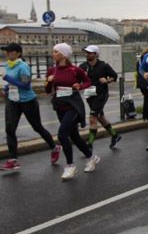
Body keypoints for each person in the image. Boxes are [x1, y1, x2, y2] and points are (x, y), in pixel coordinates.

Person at [2, 43, 60, 171]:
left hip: (28, 101)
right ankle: (13, 160)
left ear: (18, 53)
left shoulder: (23, 66)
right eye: (6, 51)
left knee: (37, 127)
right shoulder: (8, 65)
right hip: (13, 101)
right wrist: (6, 88)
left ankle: (54, 147)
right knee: (10, 129)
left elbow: (26, 85)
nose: (7, 54)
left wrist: (8, 79)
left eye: (10, 51)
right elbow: (12, 84)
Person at [46, 43, 99, 180]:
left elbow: (88, 82)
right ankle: (91, 157)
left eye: (56, 52)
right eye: (53, 51)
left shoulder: (75, 70)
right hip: (59, 106)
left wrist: (79, 86)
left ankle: (70, 166)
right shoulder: (52, 70)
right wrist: (48, 82)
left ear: (63, 54)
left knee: (62, 135)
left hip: (73, 107)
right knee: (74, 136)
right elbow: (47, 91)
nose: (53, 54)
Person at [78, 45, 122, 149]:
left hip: (101, 95)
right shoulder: (83, 66)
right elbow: (77, 79)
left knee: (93, 118)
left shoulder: (103, 65)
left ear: (96, 54)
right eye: (87, 52)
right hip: (89, 95)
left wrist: (107, 80)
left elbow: (114, 76)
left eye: (90, 53)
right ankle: (115, 135)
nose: (87, 54)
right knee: (100, 117)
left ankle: (89, 144)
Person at [136, 46, 148, 121]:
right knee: (147, 99)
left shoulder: (139, 60)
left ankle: (145, 115)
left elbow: (138, 70)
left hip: (140, 81)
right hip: (146, 81)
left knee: (146, 98)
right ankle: (147, 115)